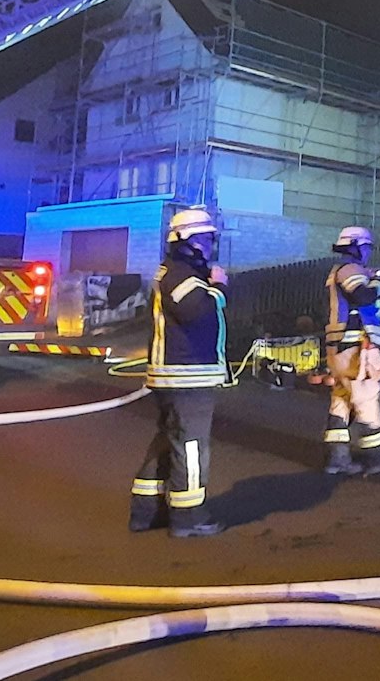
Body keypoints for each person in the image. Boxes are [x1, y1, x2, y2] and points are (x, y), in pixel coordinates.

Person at [130, 208, 231, 537]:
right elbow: (195, 312)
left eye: (210, 239)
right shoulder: (180, 274)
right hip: (186, 375)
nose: (208, 246)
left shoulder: (177, 272)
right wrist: (218, 288)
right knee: (190, 445)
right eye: (203, 239)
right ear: (185, 241)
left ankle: (147, 510)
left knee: (169, 442)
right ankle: (189, 516)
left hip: (178, 374)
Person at [321, 226, 380, 476]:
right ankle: (378, 456)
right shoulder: (350, 269)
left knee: (341, 399)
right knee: (367, 396)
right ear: (356, 246)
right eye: (367, 247)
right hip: (354, 345)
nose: (369, 252)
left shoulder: (339, 270)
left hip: (339, 347)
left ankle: (337, 459)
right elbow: (362, 295)